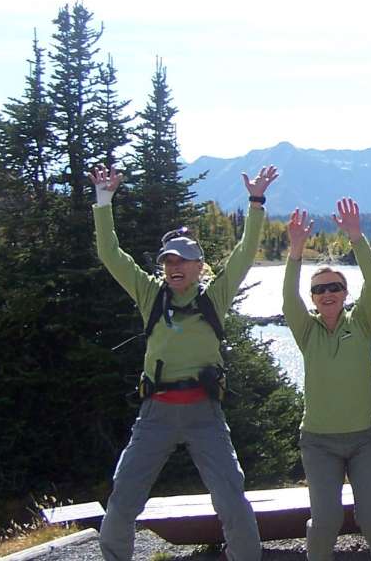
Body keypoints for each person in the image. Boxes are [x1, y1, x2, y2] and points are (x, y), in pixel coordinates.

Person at [89, 164, 277, 561]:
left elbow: (244, 254)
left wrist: (256, 202)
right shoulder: (150, 294)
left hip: (205, 412)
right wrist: (103, 201)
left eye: (183, 262)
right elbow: (111, 254)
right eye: (168, 261)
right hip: (155, 412)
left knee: (231, 498)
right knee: (123, 496)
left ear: (198, 266)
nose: (174, 268)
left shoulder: (214, 297)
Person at [282, 198, 371, 561]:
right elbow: (287, 298)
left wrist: (357, 238)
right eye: (319, 290)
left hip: (367, 439)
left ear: (345, 294)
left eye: (334, 287)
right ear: (313, 298)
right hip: (319, 443)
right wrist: (295, 251)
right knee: (326, 520)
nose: (327, 293)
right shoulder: (306, 332)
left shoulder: (361, 324)